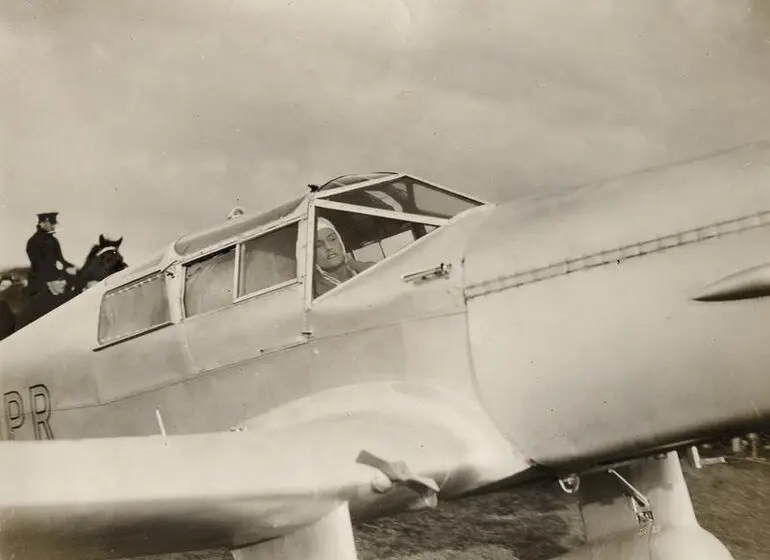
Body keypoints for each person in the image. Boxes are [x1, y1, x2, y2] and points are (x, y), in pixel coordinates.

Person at [313, 217, 374, 297]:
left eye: (332, 239)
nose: (328, 247)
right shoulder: (313, 293)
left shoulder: (371, 268)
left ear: (340, 242)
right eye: (319, 245)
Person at [25, 212, 78, 297]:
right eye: (51, 223)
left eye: (54, 224)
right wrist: (63, 271)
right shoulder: (33, 241)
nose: (54, 226)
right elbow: (38, 264)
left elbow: (61, 260)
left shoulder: (54, 240)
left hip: (55, 275)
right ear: (42, 223)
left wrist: (72, 267)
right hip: (40, 279)